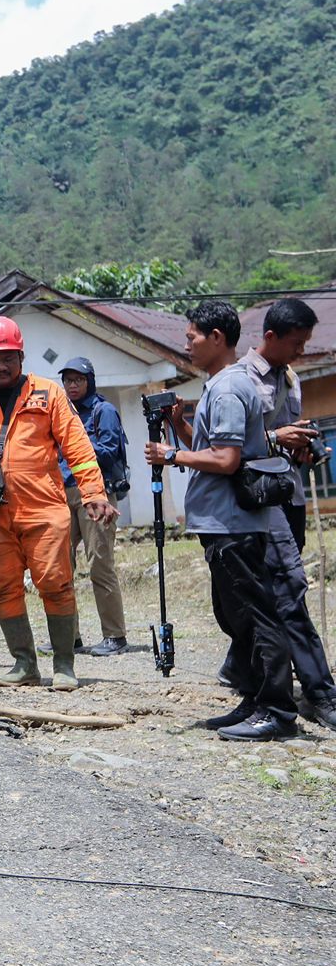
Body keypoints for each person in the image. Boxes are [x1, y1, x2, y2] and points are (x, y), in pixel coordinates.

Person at [144, 300, 299, 740]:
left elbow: (228, 460)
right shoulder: (220, 384)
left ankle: (277, 711)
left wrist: (171, 454)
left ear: (216, 338)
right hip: (221, 523)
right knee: (235, 617)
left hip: (233, 524)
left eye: (192, 336)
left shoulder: (229, 388)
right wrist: (180, 427)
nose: (187, 344)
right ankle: (253, 700)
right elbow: (214, 451)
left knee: (255, 616)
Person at [0, 316, 116, 692]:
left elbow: (78, 447)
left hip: (44, 509)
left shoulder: (49, 394)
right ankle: (24, 664)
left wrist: (93, 492)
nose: (1, 365)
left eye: (8, 357)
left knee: (55, 583)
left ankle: (65, 665)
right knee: (3, 587)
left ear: (21, 356)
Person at [239, 298, 336, 729]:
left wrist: (302, 448)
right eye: (296, 344)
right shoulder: (238, 380)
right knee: (291, 588)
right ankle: (321, 691)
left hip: (290, 495)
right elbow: (231, 446)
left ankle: (242, 671)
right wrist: (274, 435)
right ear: (272, 337)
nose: (301, 352)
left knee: (272, 592)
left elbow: (282, 446)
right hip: (259, 502)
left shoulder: (291, 379)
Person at [56, 356, 131, 656]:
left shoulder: (104, 411)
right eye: (68, 380)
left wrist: (77, 447)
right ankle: (69, 637)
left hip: (95, 494)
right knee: (60, 567)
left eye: (78, 380)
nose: (72, 385)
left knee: (100, 564)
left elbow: (111, 451)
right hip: (63, 493)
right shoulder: (60, 413)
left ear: (89, 382)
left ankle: (115, 636)